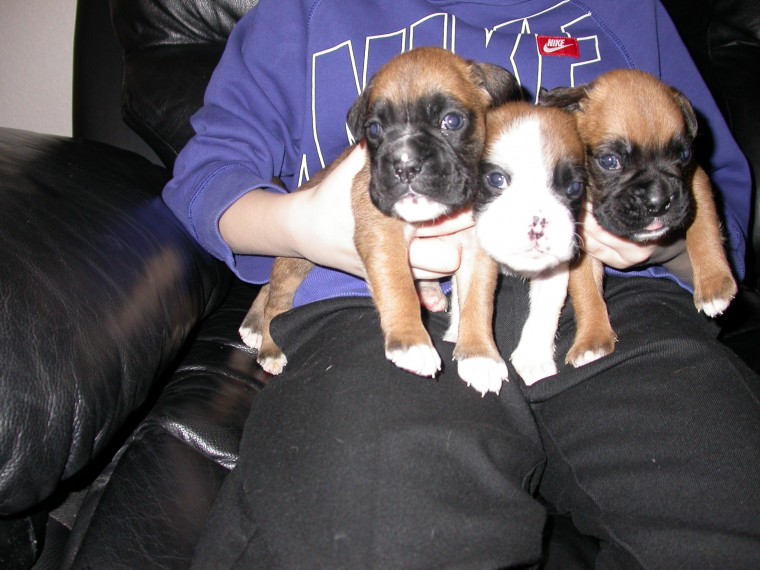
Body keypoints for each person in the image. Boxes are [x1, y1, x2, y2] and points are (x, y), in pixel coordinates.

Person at [163, 0, 760, 567]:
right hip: (370, 307)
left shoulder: (624, 10)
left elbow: (710, 189)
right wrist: (302, 227)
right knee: (379, 537)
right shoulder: (300, 13)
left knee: (728, 515)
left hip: (611, 301)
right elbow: (204, 176)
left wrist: (660, 237)